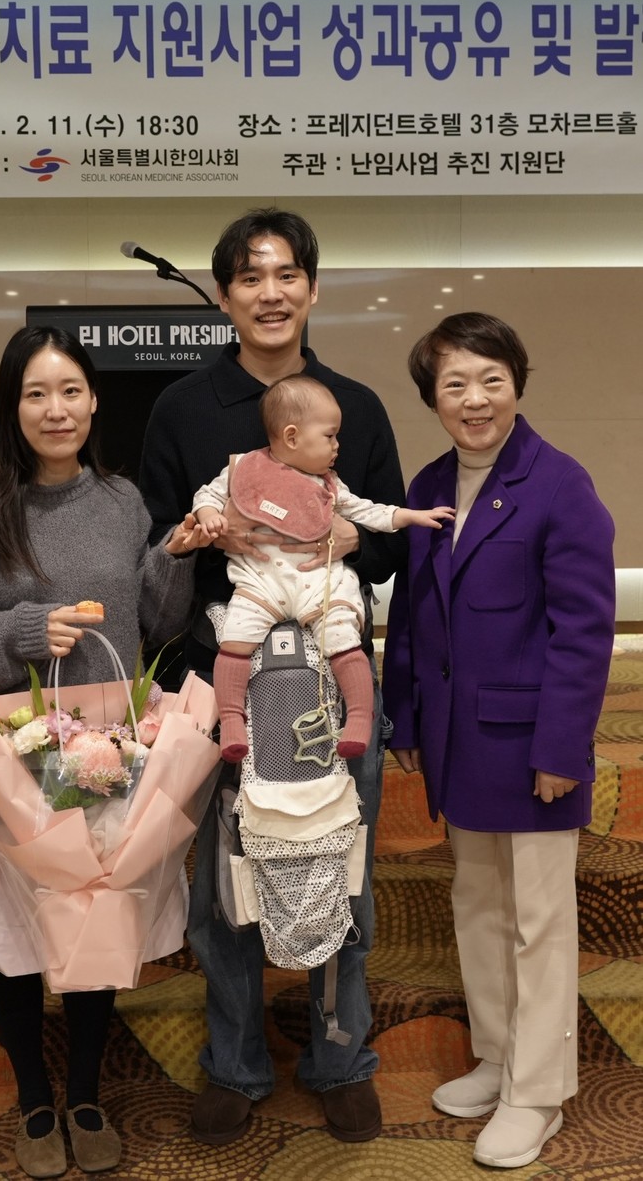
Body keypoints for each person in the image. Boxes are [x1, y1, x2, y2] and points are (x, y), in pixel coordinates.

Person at [139, 208, 407, 1145]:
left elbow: (386, 550)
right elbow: (159, 546)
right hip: (228, 680)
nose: (270, 292)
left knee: (343, 869)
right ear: (224, 296)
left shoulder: (354, 407)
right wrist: (204, 536)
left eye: (287, 273)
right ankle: (236, 1063)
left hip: (334, 680)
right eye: (250, 277)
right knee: (228, 883)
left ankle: (340, 1058)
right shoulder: (180, 410)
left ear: (313, 287)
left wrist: (346, 539)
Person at [0, 326, 199, 1179]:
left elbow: (155, 619)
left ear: (94, 400)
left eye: (70, 390)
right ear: (13, 407)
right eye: (36, 393)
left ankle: (84, 1094)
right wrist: (28, 630)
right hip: (6, 765)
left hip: (98, 758)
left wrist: (175, 556)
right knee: (14, 943)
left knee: (91, 924)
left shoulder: (120, 501)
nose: (55, 409)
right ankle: (35, 1099)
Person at [382, 312, 615, 1170]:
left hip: (531, 749)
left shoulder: (560, 484)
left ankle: (538, 1091)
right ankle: (498, 1054)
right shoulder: (431, 481)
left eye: (491, 380)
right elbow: (413, 616)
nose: (475, 399)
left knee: (539, 922)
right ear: (433, 399)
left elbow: (583, 633)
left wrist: (562, 749)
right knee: (477, 905)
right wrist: (406, 715)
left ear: (517, 383)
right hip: (457, 741)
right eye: (455, 384)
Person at [189, 373, 454, 762]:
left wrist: (410, 516)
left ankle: (359, 718)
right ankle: (231, 721)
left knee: (343, 640)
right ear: (292, 436)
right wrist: (209, 515)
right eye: (330, 436)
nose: (337, 445)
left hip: (318, 582)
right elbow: (206, 494)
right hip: (261, 582)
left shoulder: (329, 485)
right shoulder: (244, 468)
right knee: (234, 641)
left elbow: (367, 511)